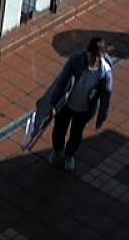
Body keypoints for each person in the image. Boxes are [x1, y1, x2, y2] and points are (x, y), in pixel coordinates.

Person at [45, 37, 113, 172]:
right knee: (59, 129)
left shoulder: (105, 73)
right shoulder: (75, 61)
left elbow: (106, 96)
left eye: (98, 56)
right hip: (66, 103)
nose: (94, 59)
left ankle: (69, 155)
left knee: (76, 134)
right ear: (88, 52)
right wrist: (53, 103)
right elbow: (61, 82)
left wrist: (101, 116)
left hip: (84, 109)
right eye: (92, 55)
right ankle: (57, 149)